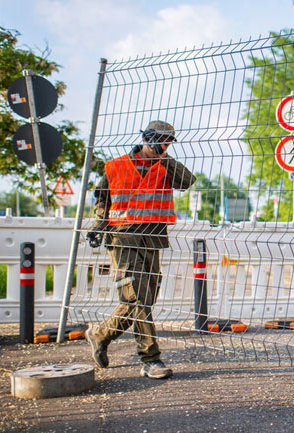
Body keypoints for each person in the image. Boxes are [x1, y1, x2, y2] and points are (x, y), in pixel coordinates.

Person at [86, 120, 196, 379]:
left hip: (153, 240)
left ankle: (101, 334)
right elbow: (103, 198)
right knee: (137, 299)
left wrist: (164, 158)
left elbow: (187, 182)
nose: (164, 145)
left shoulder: (165, 166)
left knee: (144, 299)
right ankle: (150, 359)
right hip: (122, 239)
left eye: (168, 142)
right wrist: (98, 225)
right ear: (146, 138)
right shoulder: (116, 166)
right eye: (161, 140)